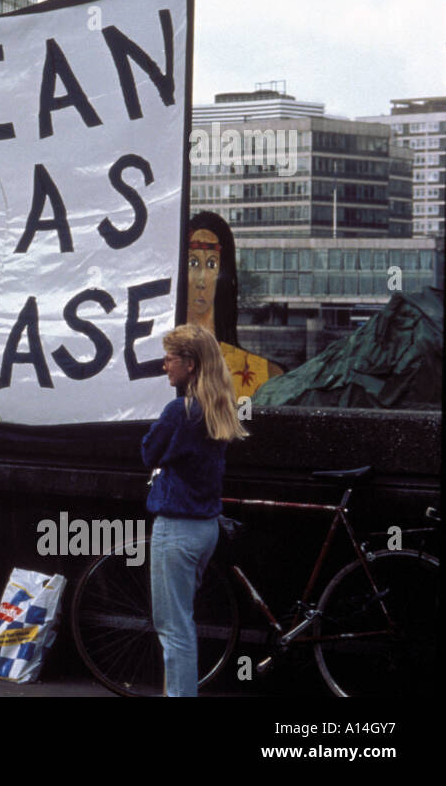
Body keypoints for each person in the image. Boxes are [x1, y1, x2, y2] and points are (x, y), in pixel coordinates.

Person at [141, 323, 248, 696]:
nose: (164, 366)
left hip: (176, 529)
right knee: (183, 624)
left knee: (174, 629)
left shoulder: (180, 411)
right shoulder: (216, 408)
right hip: (205, 528)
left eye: (169, 358)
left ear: (189, 363)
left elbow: (149, 452)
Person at [186, 211, 282, 398]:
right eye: (193, 263)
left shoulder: (261, 376)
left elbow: (244, 418)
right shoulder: (164, 368)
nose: (201, 279)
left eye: (212, 264)